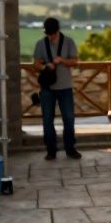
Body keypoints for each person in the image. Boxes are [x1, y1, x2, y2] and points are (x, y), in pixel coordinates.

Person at [32, 17, 80, 161]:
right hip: (47, 88)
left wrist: (62, 61)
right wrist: (45, 66)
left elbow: (75, 61)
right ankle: (51, 150)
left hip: (65, 87)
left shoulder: (69, 42)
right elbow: (35, 65)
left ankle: (70, 148)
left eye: (52, 33)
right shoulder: (41, 44)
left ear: (57, 31)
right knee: (47, 119)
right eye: (48, 33)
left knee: (69, 119)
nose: (50, 36)